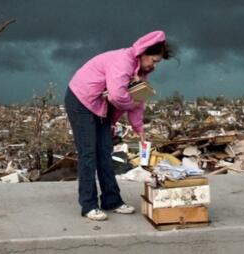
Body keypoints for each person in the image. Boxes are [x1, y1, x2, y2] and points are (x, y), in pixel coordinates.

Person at [65, 30, 174, 221]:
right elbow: (117, 95)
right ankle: (89, 205)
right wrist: (131, 102)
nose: (154, 66)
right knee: (88, 153)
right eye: (154, 60)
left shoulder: (140, 71)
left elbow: (138, 100)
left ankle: (111, 200)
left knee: (105, 153)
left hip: (99, 105)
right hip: (81, 99)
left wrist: (139, 129)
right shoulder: (123, 62)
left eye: (158, 63)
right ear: (143, 52)